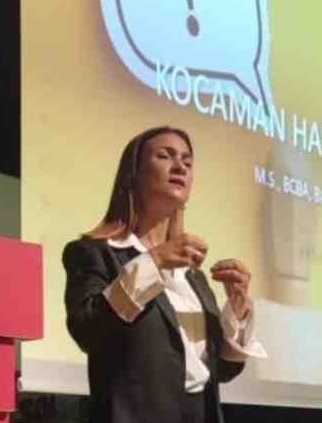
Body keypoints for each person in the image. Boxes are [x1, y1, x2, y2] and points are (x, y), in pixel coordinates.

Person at [62, 126, 267, 423]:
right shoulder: (93, 253)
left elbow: (221, 370)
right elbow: (88, 331)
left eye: (187, 161)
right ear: (133, 175)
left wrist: (236, 309)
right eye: (165, 156)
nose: (180, 166)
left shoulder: (193, 276)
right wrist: (154, 261)